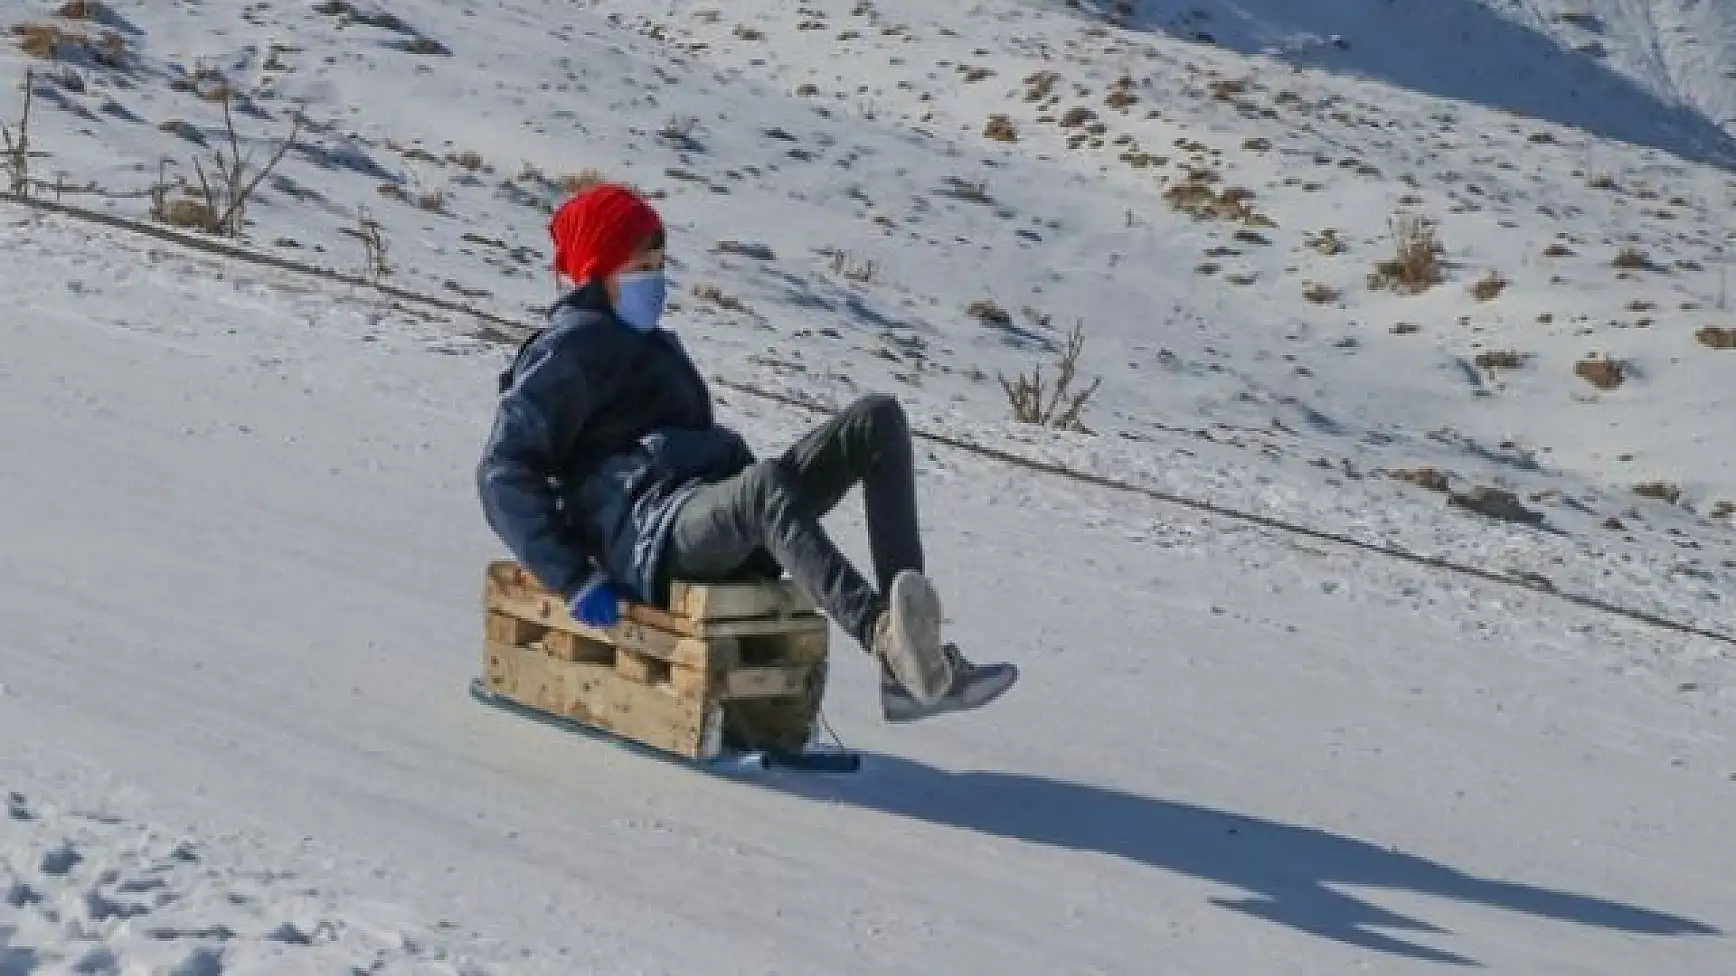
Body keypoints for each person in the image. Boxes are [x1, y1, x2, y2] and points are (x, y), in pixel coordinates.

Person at [476, 183, 1017, 722]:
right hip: (650, 538)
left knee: (878, 421)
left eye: (661, 264)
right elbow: (503, 472)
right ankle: (882, 636)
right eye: (643, 267)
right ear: (602, 269)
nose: (658, 280)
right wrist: (573, 576)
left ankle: (912, 657)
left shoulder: (655, 346)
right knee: (763, 491)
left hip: (708, 512)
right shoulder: (566, 351)